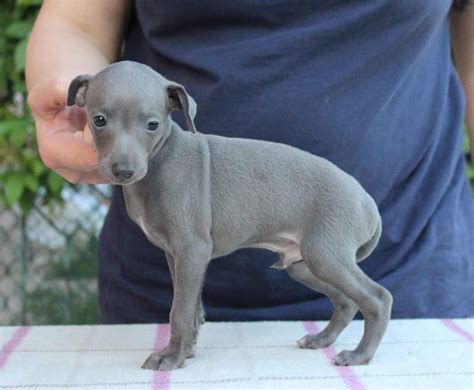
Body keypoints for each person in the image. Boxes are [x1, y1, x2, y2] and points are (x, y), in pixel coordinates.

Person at [26, 0, 473, 323]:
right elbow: (76, 23)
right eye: (103, 120)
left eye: (143, 125)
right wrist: (69, 107)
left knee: (333, 269)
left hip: (415, 257)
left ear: (177, 108)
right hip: (150, 288)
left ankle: (363, 313)